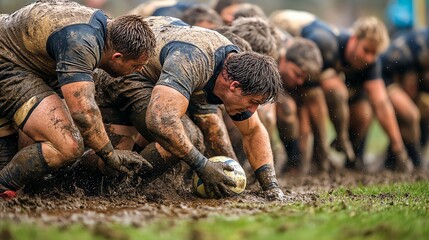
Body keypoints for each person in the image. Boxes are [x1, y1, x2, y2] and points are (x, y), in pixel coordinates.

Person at [92, 16, 285, 200]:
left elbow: (252, 131)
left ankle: (86, 179)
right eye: (253, 102)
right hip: (125, 70)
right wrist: (203, 166)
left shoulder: (230, 70)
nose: (252, 111)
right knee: (185, 136)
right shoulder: (194, 60)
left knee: (107, 165)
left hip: (152, 72)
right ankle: (125, 189)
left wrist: (271, 187)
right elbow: (161, 121)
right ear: (234, 86)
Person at [0, 0, 156, 199]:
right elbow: (84, 113)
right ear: (117, 57)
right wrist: (110, 155)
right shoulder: (81, 43)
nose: (139, 71)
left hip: (26, 59)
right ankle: (3, 186)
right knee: (67, 144)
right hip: (8, 60)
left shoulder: (102, 31)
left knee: (57, 126)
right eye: (136, 66)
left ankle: (28, 186)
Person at [270, 10, 414, 172]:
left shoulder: (371, 63)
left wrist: (399, 150)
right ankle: (304, 157)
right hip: (283, 30)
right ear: (354, 38)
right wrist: (316, 150)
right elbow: (308, 100)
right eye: (366, 50)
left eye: (374, 54)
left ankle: (352, 156)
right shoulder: (325, 45)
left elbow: (381, 104)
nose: (369, 58)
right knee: (321, 96)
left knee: (363, 111)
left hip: (309, 66)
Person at [381, 28, 429, 169]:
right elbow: (410, 82)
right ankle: (413, 159)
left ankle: (404, 157)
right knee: (411, 114)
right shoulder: (418, 48)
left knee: (422, 110)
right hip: (386, 77)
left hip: (404, 74)